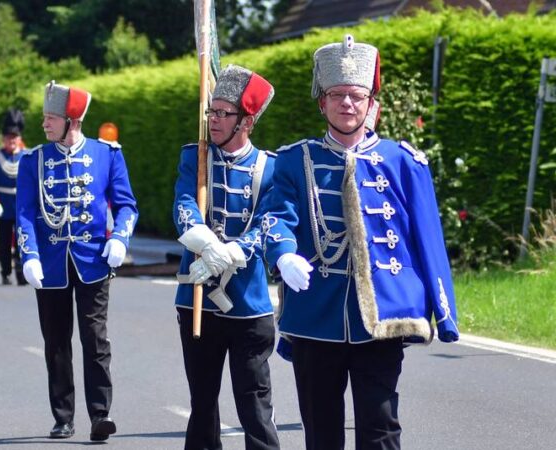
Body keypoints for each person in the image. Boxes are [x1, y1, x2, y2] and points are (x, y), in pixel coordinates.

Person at [261, 34, 460, 450]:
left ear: (371, 104)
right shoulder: (295, 160)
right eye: (337, 95)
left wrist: (445, 315)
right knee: (321, 431)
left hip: (383, 314)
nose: (347, 104)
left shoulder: (404, 161)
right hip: (316, 315)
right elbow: (277, 218)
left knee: (381, 428)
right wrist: (283, 257)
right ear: (322, 103)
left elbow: (429, 240)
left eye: (356, 96)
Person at [16, 81, 138, 442]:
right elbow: (24, 212)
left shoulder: (107, 154)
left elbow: (127, 204)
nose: (44, 124)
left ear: (72, 121)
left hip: (93, 261)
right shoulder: (33, 160)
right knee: (56, 342)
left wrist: (120, 238)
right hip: (51, 263)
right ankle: (63, 416)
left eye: (51, 118)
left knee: (95, 338)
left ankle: (100, 414)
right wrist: (30, 255)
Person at [173, 65, 280, 450]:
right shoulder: (195, 157)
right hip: (197, 299)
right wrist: (205, 243)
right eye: (211, 112)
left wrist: (230, 252)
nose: (213, 120)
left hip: (249, 305)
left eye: (223, 113)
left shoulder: (271, 167)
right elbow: (184, 205)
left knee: (254, 404)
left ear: (246, 121)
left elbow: (270, 221)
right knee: (202, 404)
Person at [0, 108, 26, 285]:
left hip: (22, 206)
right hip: (3, 205)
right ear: (3, 139)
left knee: (23, 240)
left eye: (15, 137)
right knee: (3, 241)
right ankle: (6, 272)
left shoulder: (27, 157)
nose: (12, 140)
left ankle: (22, 272)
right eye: (9, 137)